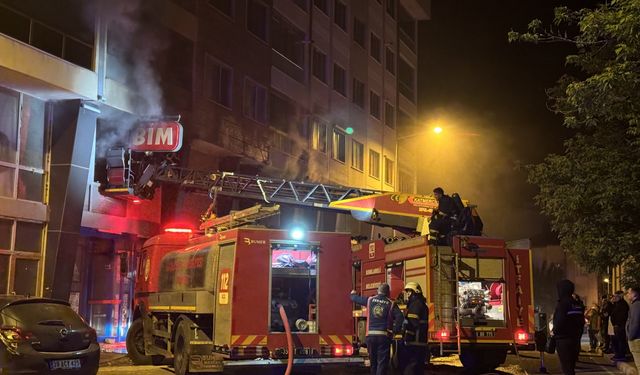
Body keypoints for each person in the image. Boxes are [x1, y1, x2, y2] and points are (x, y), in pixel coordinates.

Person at [350, 283, 403, 375]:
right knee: (381, 363)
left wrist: (352, 294)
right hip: (384, 337)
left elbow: (355, 299)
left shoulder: (370, 300)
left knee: (373, 363)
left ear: (378, 291)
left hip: (370, 337)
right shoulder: (391, 303)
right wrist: (395, 330)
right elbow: (400, 317)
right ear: (388, 293)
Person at [553, 280, 585, 375]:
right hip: (575, 339)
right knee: (571, 366)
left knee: (567, 368)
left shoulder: (562, 304)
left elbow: (559, 322)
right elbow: (581, 322)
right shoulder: (577, 304)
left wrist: (554, 332)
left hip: (563, 340)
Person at [399, 281, 429, 375]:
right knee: (418, 368)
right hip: (420, 341)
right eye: (407, 291)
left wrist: (406, 337)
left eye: (409, 291)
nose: (407, 294)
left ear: (415, 292)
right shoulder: (421, 304)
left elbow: (412, 323)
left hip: (414, 342)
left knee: (411, 366)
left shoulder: (416, 304)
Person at [611, 290, 630, 362]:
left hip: (620, 326)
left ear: (620, 296)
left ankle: (621, 355)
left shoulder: (623, 304)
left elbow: (622, 316)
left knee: (620, 341)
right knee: (615, 340)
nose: (614, 297)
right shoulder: (617, 304)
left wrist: (617, 324)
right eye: (614, 296)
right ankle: (617, 354)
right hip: (616, 326)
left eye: (616, 296)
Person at [626, 287, 640, 369]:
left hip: (636, 339)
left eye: (628, 293)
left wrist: (630, 337)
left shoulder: (636, 305)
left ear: (634, 294)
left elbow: (635, 322)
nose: (627, 295)